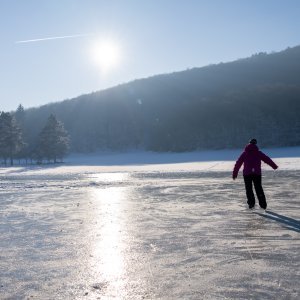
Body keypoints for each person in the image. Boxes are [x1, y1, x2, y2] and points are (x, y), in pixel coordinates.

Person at [232, 138, 278, 209]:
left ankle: (251, 204)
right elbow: (267, 159)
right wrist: (274, 166)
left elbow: (238, 163)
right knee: (258, 188)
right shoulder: (258, 153)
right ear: (255, 144)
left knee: (249, 189)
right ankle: (263, 205)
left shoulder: (245, 153)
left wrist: (235, 174)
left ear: (248, 144)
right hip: (257, 173)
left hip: (247, 174)